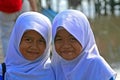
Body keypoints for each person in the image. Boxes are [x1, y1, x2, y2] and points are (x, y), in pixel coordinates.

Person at [51, 10, 117, 80]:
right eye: (59, 39)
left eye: (72, 39)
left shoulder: (96, 65)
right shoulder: (55, 68)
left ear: (84, 38)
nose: (66, 45)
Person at [0, 12, 55, 80]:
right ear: (17, 39)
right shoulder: (3, 73)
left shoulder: (54, 72)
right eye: (28, 40)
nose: (34, 47)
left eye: (40, 41)